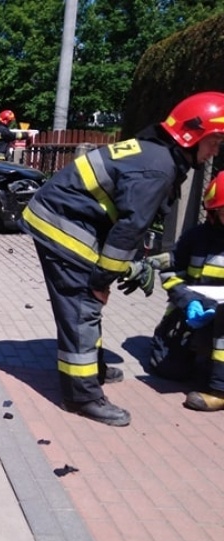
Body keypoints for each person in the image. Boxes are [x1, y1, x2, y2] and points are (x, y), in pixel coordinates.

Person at [19, 91, 224, 427]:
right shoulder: (160, 168)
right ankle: (82, 396)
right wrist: (101, 281)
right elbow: (129, 230)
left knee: (88, 304)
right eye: (215, 141)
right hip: (63, 226)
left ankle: (91, 370)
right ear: (193, 135)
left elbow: (125, 222)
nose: (216, 150)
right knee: (84, 306)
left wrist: (112, 273)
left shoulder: (156, 153)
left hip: (70, 219)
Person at [148, 170, 224, 411]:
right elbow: (172, 273)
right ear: (214, 211)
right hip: (192, 313)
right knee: (168, 369)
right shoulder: (196, 237)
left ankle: (219, 390)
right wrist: (188, 300)